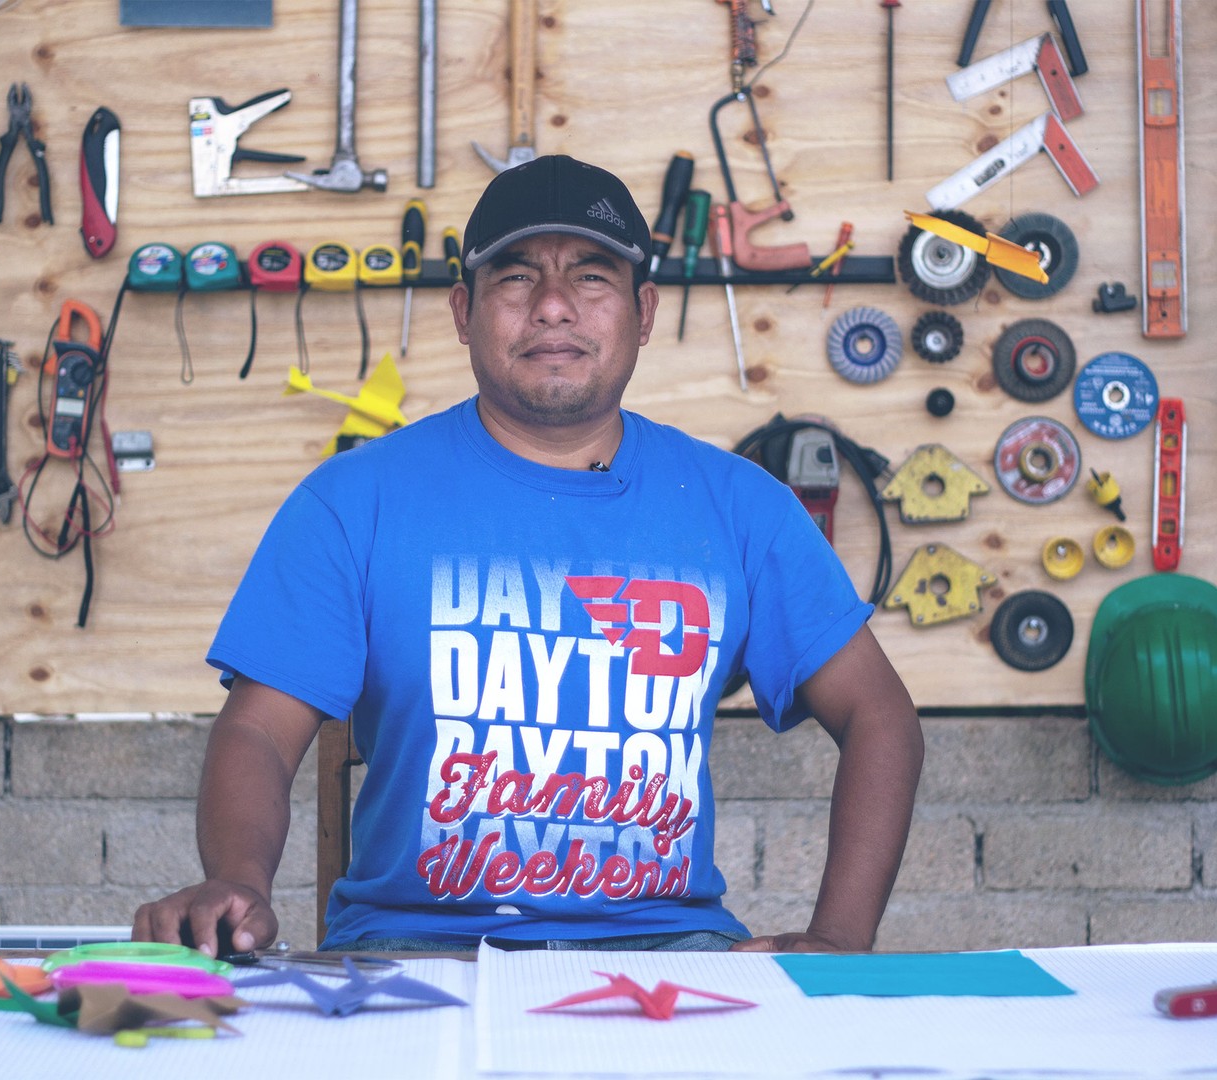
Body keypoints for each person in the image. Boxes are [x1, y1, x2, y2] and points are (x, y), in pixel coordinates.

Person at [134, 155, 923, 955]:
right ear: (462, 308)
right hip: (413, 955)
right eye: (515, 279)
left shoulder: (740, 507)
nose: (553, 307)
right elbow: (260, 733)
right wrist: (237, 881)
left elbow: (880, 715)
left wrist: (839, 938)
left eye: (591, 278)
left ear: (643, 311)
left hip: (669, 954)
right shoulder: (352, 501)